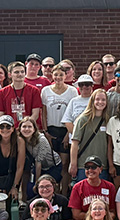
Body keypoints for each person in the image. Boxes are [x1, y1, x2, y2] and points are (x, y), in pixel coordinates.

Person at [42, 64, 78, 194]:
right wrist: (45, 132)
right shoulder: (45, 91)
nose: (58, 77)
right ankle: (53, 191)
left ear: (65, 76)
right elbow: (43, 113)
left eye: (61, 75)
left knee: (64, 163)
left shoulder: (72, 91)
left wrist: (68, 134)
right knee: (53, 164)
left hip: (65, 130)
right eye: (55, 74)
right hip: (51, 130)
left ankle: (64, 193)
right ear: (52, 75)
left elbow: (74, 114)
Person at [70, 89, 111, 182]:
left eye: (103, 100)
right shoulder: (83, 119)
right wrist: (73, 164)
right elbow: (75, 143)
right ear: (92, 101)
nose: (100, 102)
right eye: (97, 99)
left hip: (102, 166)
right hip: (84, 165)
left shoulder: (108, 120)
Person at [69, 155, 117, 220]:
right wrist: (97, 217)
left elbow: (113, 212)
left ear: (101, 169)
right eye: (87, 167)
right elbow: (76, 215)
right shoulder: (77, 187)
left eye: (93, 167)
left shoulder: (110, 187)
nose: (90, 170)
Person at [19, 117, 60, 197]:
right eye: (24, 127)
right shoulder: (21, 140)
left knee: (45, 189)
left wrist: (37, 183)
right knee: (30, 190)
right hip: (36, 166)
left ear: (34, 129)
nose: (27, 129)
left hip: (52, 166)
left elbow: (39, 163)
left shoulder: (41, 140)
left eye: (30, 127)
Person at [0, 61, 42, 129]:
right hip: (10, 130)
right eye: (16, 72)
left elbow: (35, 114)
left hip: (28, 130)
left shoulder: (34, 91)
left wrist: (25, 127)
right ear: (10, 74)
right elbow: (0, 115)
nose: (20, 74)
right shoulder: (2, 92)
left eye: (22, 72)